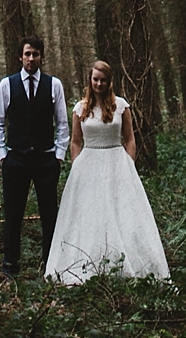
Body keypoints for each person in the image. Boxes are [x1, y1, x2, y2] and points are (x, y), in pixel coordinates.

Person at [44, 59, 169, 284]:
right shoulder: (80, 108)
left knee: (122, 214)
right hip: (88, 165)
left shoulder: (121, 106)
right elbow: (75, 141)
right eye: (95, 80)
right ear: (89, 81)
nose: (98, 84)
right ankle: (88, 265)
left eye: (103, 80)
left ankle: (128, 265)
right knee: (89, 216)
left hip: (117, 163)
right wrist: (78, 165)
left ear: (109, 81)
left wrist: (128, 164)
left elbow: (130, 139)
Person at [0, 36, 69, 278]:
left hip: (46, 160)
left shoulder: (53, 85)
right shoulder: (7, 85)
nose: (31, 58)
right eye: (27, 54)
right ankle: (10, 266)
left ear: (41, 56)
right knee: (13, 214)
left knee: (49, 214)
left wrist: (58, 156)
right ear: (20, 57)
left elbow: (63, 123)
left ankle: (50, 264)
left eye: (35, 54)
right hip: (16, 160)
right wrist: (4, 156)